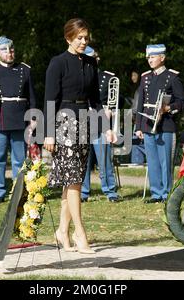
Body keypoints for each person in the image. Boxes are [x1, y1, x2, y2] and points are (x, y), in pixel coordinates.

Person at [44, 18, 116, 254]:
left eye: (86, 38)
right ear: (68, 38)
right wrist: (49, 134)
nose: (84, 42)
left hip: (84, 122)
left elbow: (96, 100)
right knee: (74, 181)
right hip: (63, 124)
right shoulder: (57, 63)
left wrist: (107, 127)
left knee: (72, 181)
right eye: (79, 38)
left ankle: (62, 231)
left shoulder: (90, 64)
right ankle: (80, 233)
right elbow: (50, 100)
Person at [0, 36, 36, 204]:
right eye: (5, 50)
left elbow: (31, 96)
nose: (9, 53)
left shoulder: (24, 70)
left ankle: (18, 191)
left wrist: (33, 119)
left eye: (11, 49)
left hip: (19, 119)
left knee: (19, 159)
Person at [135, 44, 184, 203]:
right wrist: (138, 127)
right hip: (148, 123)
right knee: (152, 161)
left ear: (162, 58)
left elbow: (182, 102)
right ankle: (156, 193)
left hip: (166, 124)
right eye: (148, 57)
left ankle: (167, 193)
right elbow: (140, 104)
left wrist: (168, 108)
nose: (149, 60)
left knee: (166, 162)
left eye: (153, 56)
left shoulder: (172, 77)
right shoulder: (145, 77)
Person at [80, 46, 119, 203]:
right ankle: (83, 191)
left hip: (101, 120)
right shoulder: (78, 77)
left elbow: (117, 100)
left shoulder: (107, 77)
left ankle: (110, 190)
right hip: (82, 119)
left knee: (104, 159)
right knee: (83, 159)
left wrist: (110, 109)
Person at [130, 69, 146, 164]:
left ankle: (136, 163)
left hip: (139, 120)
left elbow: (135, 108)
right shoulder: (139, 89)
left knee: (136, 143)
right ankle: (136, 163)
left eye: (134, 75)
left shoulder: (140, 89)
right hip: (141, 119)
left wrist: (132, 115)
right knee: (137, 144)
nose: (133, 78)